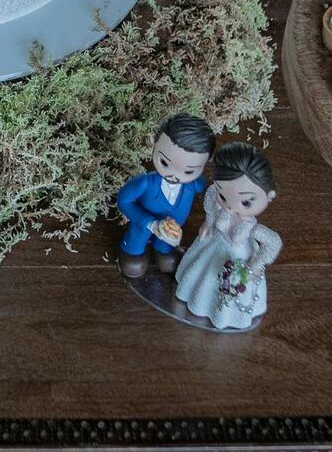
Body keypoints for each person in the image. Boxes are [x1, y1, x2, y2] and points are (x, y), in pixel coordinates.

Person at [172, 141, 280, 331]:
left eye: (246, 202)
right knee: (200, 277)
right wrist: (208, 221)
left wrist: (255, 266)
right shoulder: (218, 200)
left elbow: (273, 242)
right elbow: (212, 194)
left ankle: (221, 313)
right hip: (213, 247)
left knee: (225, 290)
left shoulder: (251, 228)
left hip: (238, 259)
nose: (230, 205)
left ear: (269, 196)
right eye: (224, 197)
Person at [115, 113, 215, 278]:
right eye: (164, 162)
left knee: (168, 261)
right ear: (154, 144)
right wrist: (148, 222)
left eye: (188, 171)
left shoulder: (194, 184)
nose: (174, 175)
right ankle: (132, 251)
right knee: (134, 260)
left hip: (172, 232)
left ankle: (162, 249)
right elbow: (124, 200)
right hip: (143, 224)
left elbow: (210, 191)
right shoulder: (145, 183)